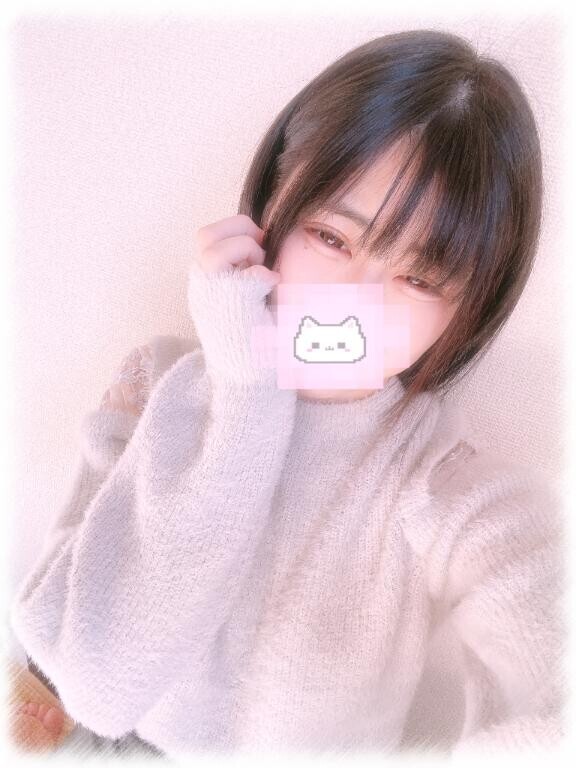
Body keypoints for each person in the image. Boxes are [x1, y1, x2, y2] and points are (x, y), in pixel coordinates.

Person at [8, 28, 565, 758]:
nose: (353, 300)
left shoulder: (443, 483)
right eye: (332, 238)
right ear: (268, 209)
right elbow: (90, 681)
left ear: (469, 310)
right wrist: (246, 387)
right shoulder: (156, 383)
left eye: (420, 278)